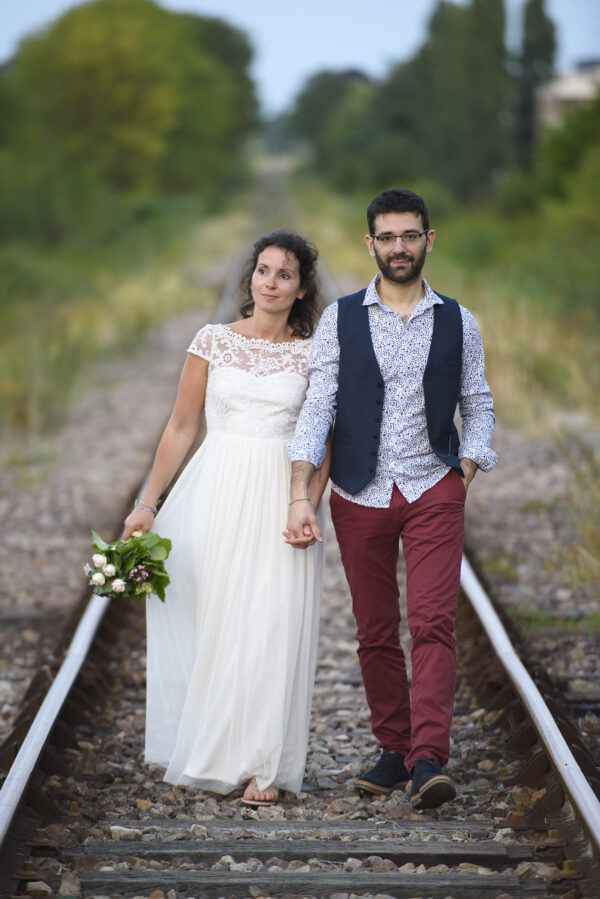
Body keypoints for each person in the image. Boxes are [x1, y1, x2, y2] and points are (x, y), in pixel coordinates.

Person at [286, 188, 497, 810]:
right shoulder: (340, 319)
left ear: (429, 240)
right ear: (370, 244)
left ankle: (429, 757)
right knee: (375, 629)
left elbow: (478, 403)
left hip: (434, 486)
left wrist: (466, 466)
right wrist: (301, 490)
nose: (399, 247)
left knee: (433, 623)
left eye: (410, 236)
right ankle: (392, 749)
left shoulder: (460, 319)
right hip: (358, 490)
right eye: (387, 237)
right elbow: (318, 405)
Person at [123, 231, 329, 806]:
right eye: (263, 271)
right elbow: (181, 427)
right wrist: (147, 502)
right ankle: (217, 750)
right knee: (218, 619)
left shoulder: (313, 354)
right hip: (215, 489)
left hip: (280, 494)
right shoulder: (212, 341)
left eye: (284, 275)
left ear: (301, 287)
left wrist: (309, 499)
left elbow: (323, 439)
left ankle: (266, 763)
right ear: (251, 279)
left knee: (272, 622)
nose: (270, 282)